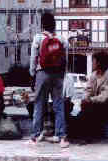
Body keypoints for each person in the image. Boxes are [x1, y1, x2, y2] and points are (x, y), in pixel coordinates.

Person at [29, 12, 69, 148]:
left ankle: (35, 136)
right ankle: (61, 136)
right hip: (57, 75)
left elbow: (33, 59)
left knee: (39, 104)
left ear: (42, 24)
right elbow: (65, 59)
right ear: (54, 24)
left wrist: (32, 74)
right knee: (59, 105)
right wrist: (62, 74)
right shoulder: (62, 39)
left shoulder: (38, 38)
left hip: (42, 74)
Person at [73, 51, 108, 145]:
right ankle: (83, 136)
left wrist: (91, 100)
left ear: (99, 63)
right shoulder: (93, 75)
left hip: (107, 106)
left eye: (93, 61)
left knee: (87, 110)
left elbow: (106, 96)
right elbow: (88, 89)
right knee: (84, 110)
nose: (92, 63)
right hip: (94, 104)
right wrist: (85, 98)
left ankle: (85, 137)